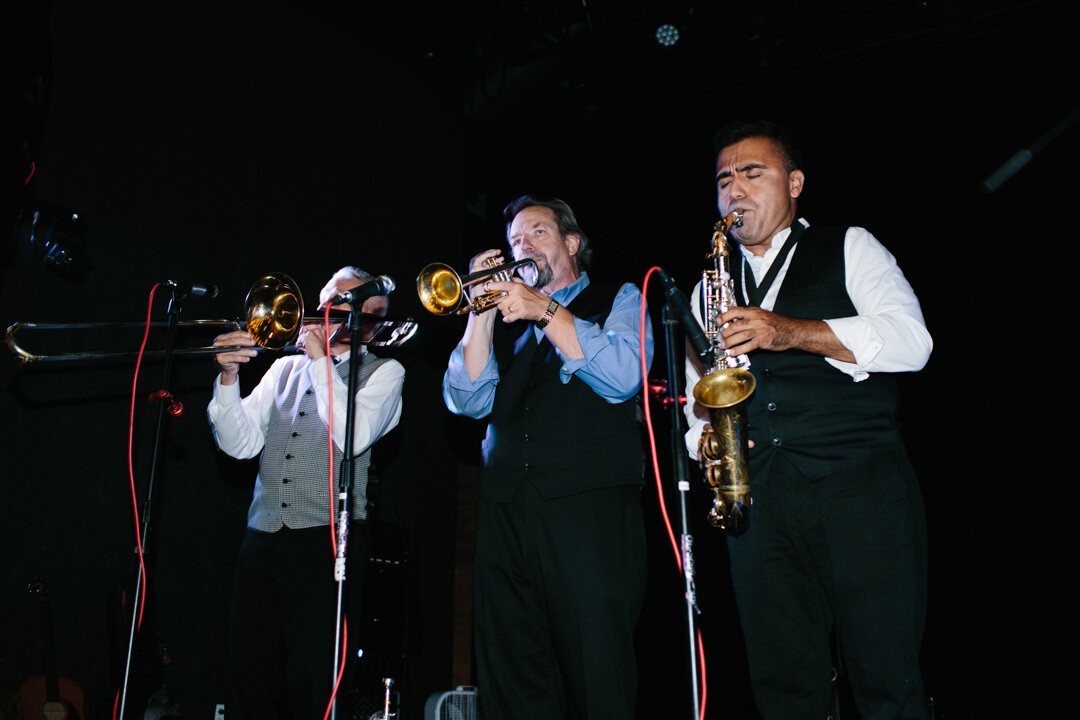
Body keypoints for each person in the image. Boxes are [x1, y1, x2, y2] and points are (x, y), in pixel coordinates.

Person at [684, 121, 933, 719]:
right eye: (724, 180)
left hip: (859, 490)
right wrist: (706, 440)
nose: (735, 191)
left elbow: (912, 343)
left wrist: (788, 333)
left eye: (752, 174)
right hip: (759, 503)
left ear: (794, 183)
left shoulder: (850, 246)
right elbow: (699, 400)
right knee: (783, 686)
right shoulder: (705, 289)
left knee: (884, 676)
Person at [443, 196, 653, 719]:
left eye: (536, 233)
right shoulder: (507, 324)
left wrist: (546, 310)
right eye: (514, 241)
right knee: (512, 681)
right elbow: (468, 401)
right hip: (506, 518)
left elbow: (624, 376)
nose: (522, 247)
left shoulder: (619, 297)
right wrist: (480, 311)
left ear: (572, 244)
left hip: (590, 519)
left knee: (596, 676)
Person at [207, 266, 405, 719]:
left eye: (336, 303)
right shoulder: (283, 369)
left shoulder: (386, 372)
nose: (320, 313)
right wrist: (228, 380)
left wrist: (319, 361)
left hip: (325, 541)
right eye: (322, 302)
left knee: (313, 679)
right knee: (248, 676)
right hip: (261, 540)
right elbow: (239, 447)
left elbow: (349, 437)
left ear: (369, 317)